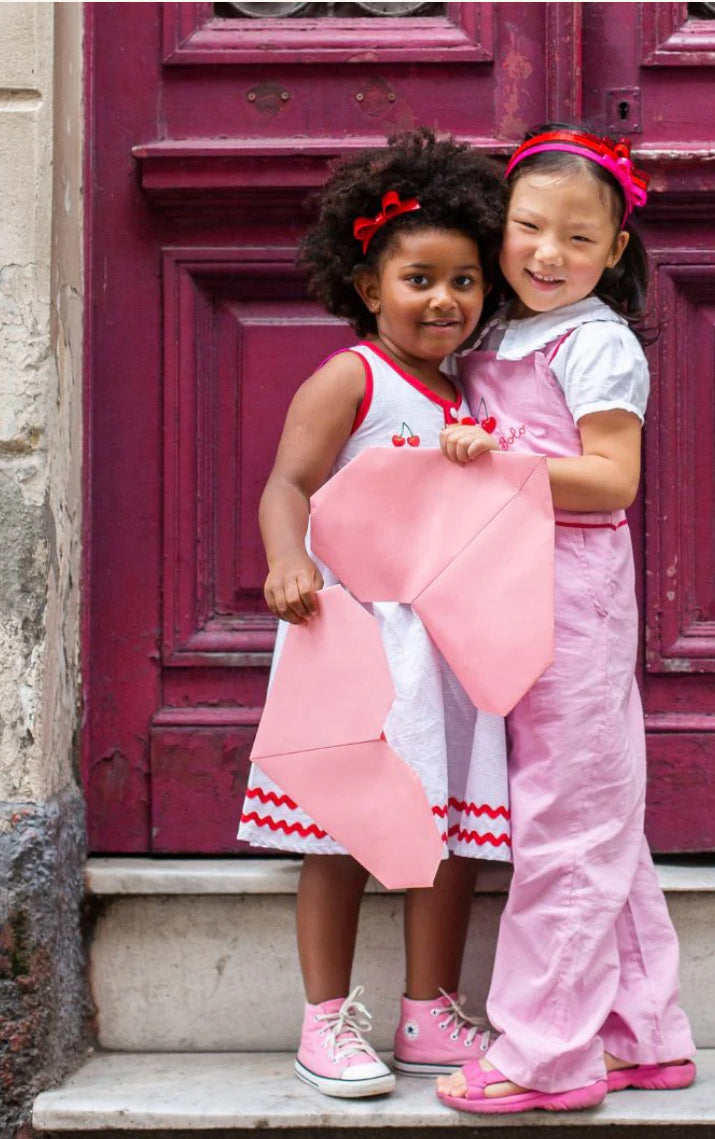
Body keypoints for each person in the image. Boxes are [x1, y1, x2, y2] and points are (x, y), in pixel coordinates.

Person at [236, 129, 510, 1098]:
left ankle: (429, 1008)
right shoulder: (353, 377)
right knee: (348, 829)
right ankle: (326, 1018)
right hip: (352, 630)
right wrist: (283, 561)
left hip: (446, 641)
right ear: (367, 286)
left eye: (466, 281)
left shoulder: (475, 389)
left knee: (445, 835)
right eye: (419, 279)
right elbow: (288, 483)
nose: (444, 300)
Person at [435, 126, 696, 1115]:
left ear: (614, 251)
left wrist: (493, 462)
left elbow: (609, 477)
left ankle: (546, 1053)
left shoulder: (597, 343)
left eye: (577, 239)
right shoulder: (495, 338)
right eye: (528, 229)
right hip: (507, 582)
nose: (547, 255)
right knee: (598, 815)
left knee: (568, 820)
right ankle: (643, 1033)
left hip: (571, 590)